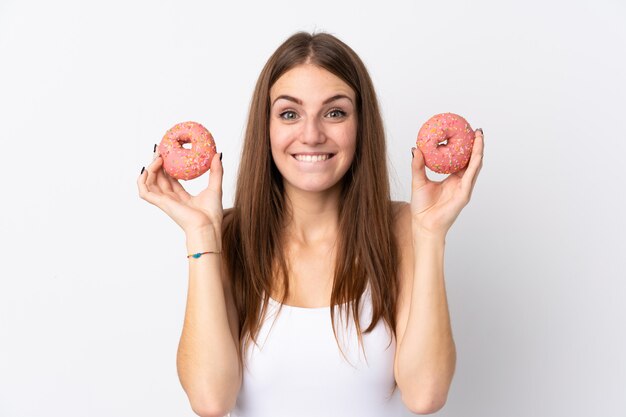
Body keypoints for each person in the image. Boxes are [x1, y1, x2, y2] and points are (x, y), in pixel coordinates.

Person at [137, 31, 483, 417]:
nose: (312, 134)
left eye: (335, 112)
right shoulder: (228, 237)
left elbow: (426, 394)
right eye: (289, 113)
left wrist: (431, 235)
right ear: (265, 128)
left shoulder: (404, 229)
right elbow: (210, 400)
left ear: (360, 125)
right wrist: (201, 235)